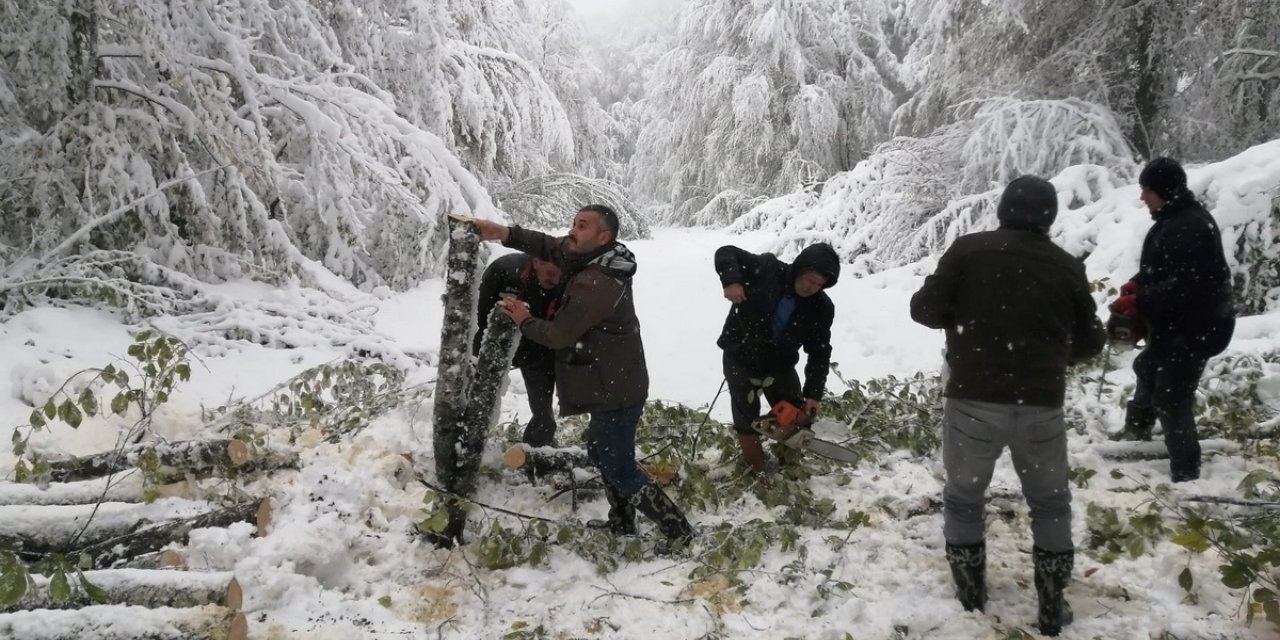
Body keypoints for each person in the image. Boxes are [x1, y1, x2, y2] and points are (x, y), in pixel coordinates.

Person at [910, 175, 1106, 636]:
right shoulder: (1065, 265)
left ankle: (971, 593)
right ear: (1049, 218)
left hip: (973, 399)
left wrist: (963, 320)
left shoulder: (968, 250)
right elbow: (1090, 341)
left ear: (1003, 210)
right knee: (1051, 503)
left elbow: (924, 309)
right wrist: (1054, 354)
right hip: (1040, 404)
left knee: (963, 498)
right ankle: (1053, 602)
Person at [471, 205, 695, 548]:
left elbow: (559, 335)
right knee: (602, 451)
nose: (572, 231)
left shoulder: (597, 282)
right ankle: (622, 523)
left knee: (619, 466)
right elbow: (549, 245)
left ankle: (679, 532)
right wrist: (503, 233)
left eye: (582, 226)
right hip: (608, 381)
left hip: (617, 388)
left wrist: (523, 319)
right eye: (574, 223)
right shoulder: (592, 256)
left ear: (603, 237)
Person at [1108, 157, 1235, 481]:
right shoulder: (1174, 220)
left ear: (1163, 190)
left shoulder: (1188, 226)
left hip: (1197, 329)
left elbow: (1189, 286)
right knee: (1147, 367)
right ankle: (1136, 435)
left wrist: (1141, 300)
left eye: (1147, 190)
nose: (1142, 197)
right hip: (1181, 326)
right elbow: (1163, 270)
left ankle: (1186, 473)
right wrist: (1137, 283)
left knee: (1172, 395)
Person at [713, 243, 840, 472]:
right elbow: (726, 252)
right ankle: (756, 467)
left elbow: (819, 350)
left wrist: (813, 393)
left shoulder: (821, 307)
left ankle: (789, 463)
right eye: (810, 279)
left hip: (779, 362)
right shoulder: (768, 269)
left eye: (819, 284)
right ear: (800, 268)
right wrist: (732, 280)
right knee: (745, 413)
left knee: (795, 413)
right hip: (740, 354)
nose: (812, 287)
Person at [474, 253, 562, 448]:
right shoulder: (504, 270)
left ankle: (537, 451)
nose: (553, 280)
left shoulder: (563, 282)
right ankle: (471, 443)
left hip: (538, 349)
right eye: (549, 273)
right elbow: (480, 317)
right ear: (536, 261)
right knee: (478, 399)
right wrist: (482, 354)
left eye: (558, 275)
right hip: (494, 342)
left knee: (543, 411)